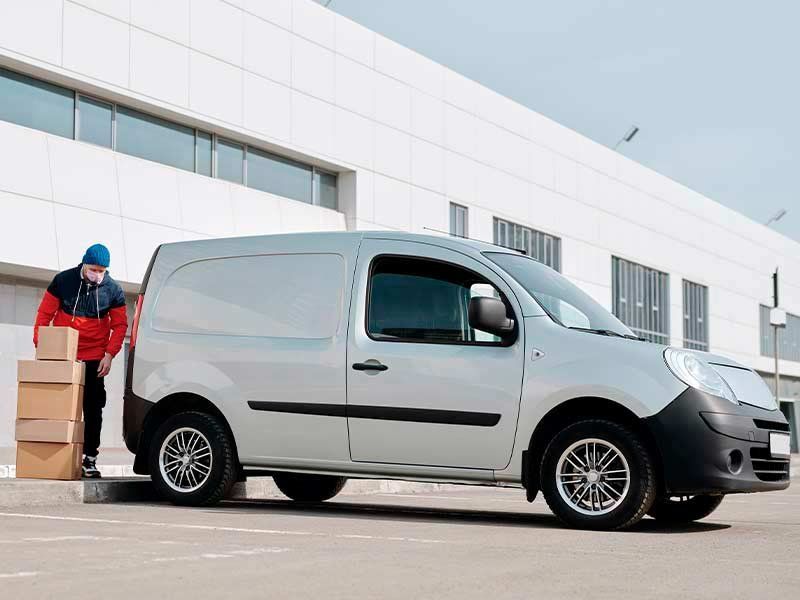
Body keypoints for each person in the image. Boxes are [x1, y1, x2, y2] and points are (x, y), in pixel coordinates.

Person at [33, 244, 128, 478]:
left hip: (96, 356)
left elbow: (120, 326)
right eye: (94, 269)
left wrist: (109, 354)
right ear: (84, 265)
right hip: (66, 353)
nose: (98, 275)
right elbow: (44, 315)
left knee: (94, 409)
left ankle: (90, 459)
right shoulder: (62, 281)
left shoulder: (113, 290)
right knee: (58, 406)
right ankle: (53, 455)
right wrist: (42, 345)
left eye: (102, 270)